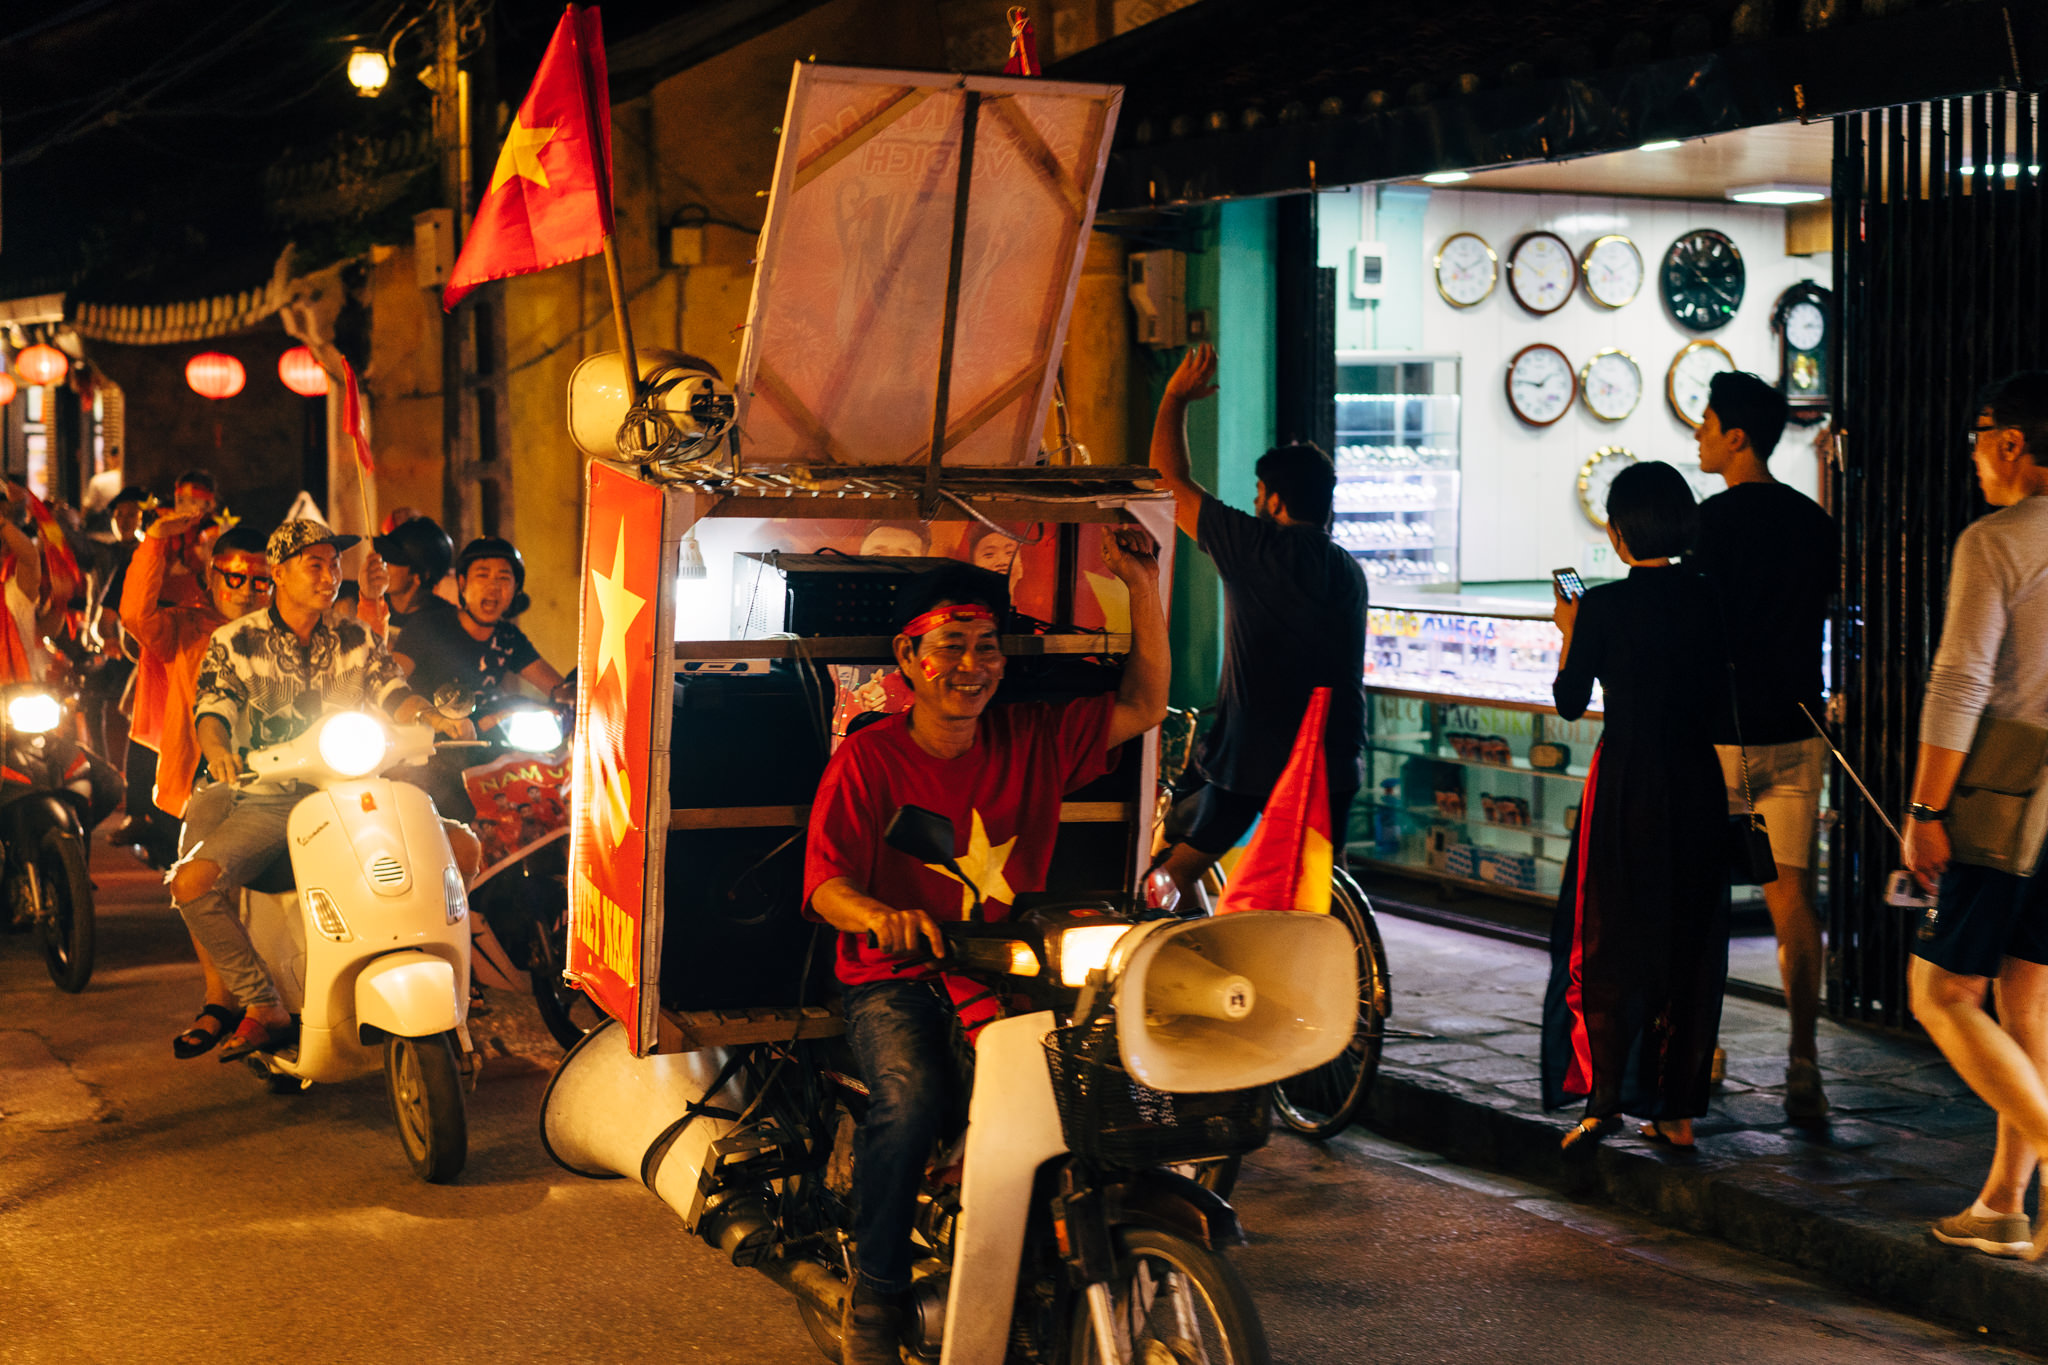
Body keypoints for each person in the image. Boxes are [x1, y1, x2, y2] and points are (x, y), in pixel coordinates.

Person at [804, 539, 1168, 1365]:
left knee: (1090, 1087)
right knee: (913, 1094)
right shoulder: (868, 757)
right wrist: (880, 915)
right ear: (908, 657)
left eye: (986, 646)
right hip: (891, 975)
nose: (971, 666)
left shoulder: (1035, 737)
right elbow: (825, 881)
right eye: (951, 647)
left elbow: (1144, 703)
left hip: (1002, 967)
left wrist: (1143, 582)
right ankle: (879, 1289)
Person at [172, 520, 472, 1060]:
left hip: (355, 790)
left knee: (463, 848)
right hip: (271, 796)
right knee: (192, 883)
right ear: (279, 573)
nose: (330, 574)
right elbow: (212, 708)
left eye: (335, 564)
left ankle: (446, 975)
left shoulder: (355, 637)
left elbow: (391, 690)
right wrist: (217, 750)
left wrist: (429, 715)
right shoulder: (233, 641)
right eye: (315, 563)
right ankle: (261, 1003)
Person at [1542, 461, 1731, 1151]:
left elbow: (1568, 702)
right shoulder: (1709, 599)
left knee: (1608, 937)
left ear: (1620, 535)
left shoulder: (1604, 606)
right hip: (1697, 781)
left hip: (1624, 780)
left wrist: (1569, 628)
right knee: (1689, 941)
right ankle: (1675, 1111)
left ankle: (1603, 1101)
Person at [1902, 373, 2048, 1260]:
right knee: (2027, 990)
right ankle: (2003, 1201)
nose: (1973, 452)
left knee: (1942, 992)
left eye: (1980, 433)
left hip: (2011, 793)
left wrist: (1926, 807)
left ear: (2012, 444)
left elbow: (1961, 681)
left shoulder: (1996, 542)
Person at [1144, 343, 1367, 900]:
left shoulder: (1257, 548)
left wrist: (1174, 398)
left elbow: (1167, 481)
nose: (1254, 500)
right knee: (1320, 889)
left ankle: (1154, 941)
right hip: (1334, 759)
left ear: (1273, 501)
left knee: (1173, 874)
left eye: (1258, 493)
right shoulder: (1349, 571)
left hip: (1257, 756)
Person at [1692, 370, 1839, 1120]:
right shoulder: (1814, 522)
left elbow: (1691, 627)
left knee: (1702, 898)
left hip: (1719, 733)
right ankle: (1804, 1062)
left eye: (1707, 421)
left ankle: (1702, 1048)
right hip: (1796, 730)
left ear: (1737, 436)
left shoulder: (1707, 524)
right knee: (1793, 902)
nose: (1699, 432)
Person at [120, 515, 275, 1056]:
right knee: (196, 880)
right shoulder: (185, 626)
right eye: (234, 578)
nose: (248, 591)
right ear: (213, 579)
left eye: (261, 580)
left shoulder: (293, 628)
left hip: (298, 775)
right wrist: (156, 540)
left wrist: (373, 597)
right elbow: (136, 613)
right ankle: (221, 999)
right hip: (212, 780)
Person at [391, 537, 562, 715]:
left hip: (487, 737)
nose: (493, 586)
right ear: (463, 583)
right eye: (482, 575)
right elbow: (389, 684)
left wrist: (570, 700)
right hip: (428, 736)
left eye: (503, 578)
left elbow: (558, 687)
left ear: (515, 588)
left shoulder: (509, 638)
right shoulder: (427, 627)